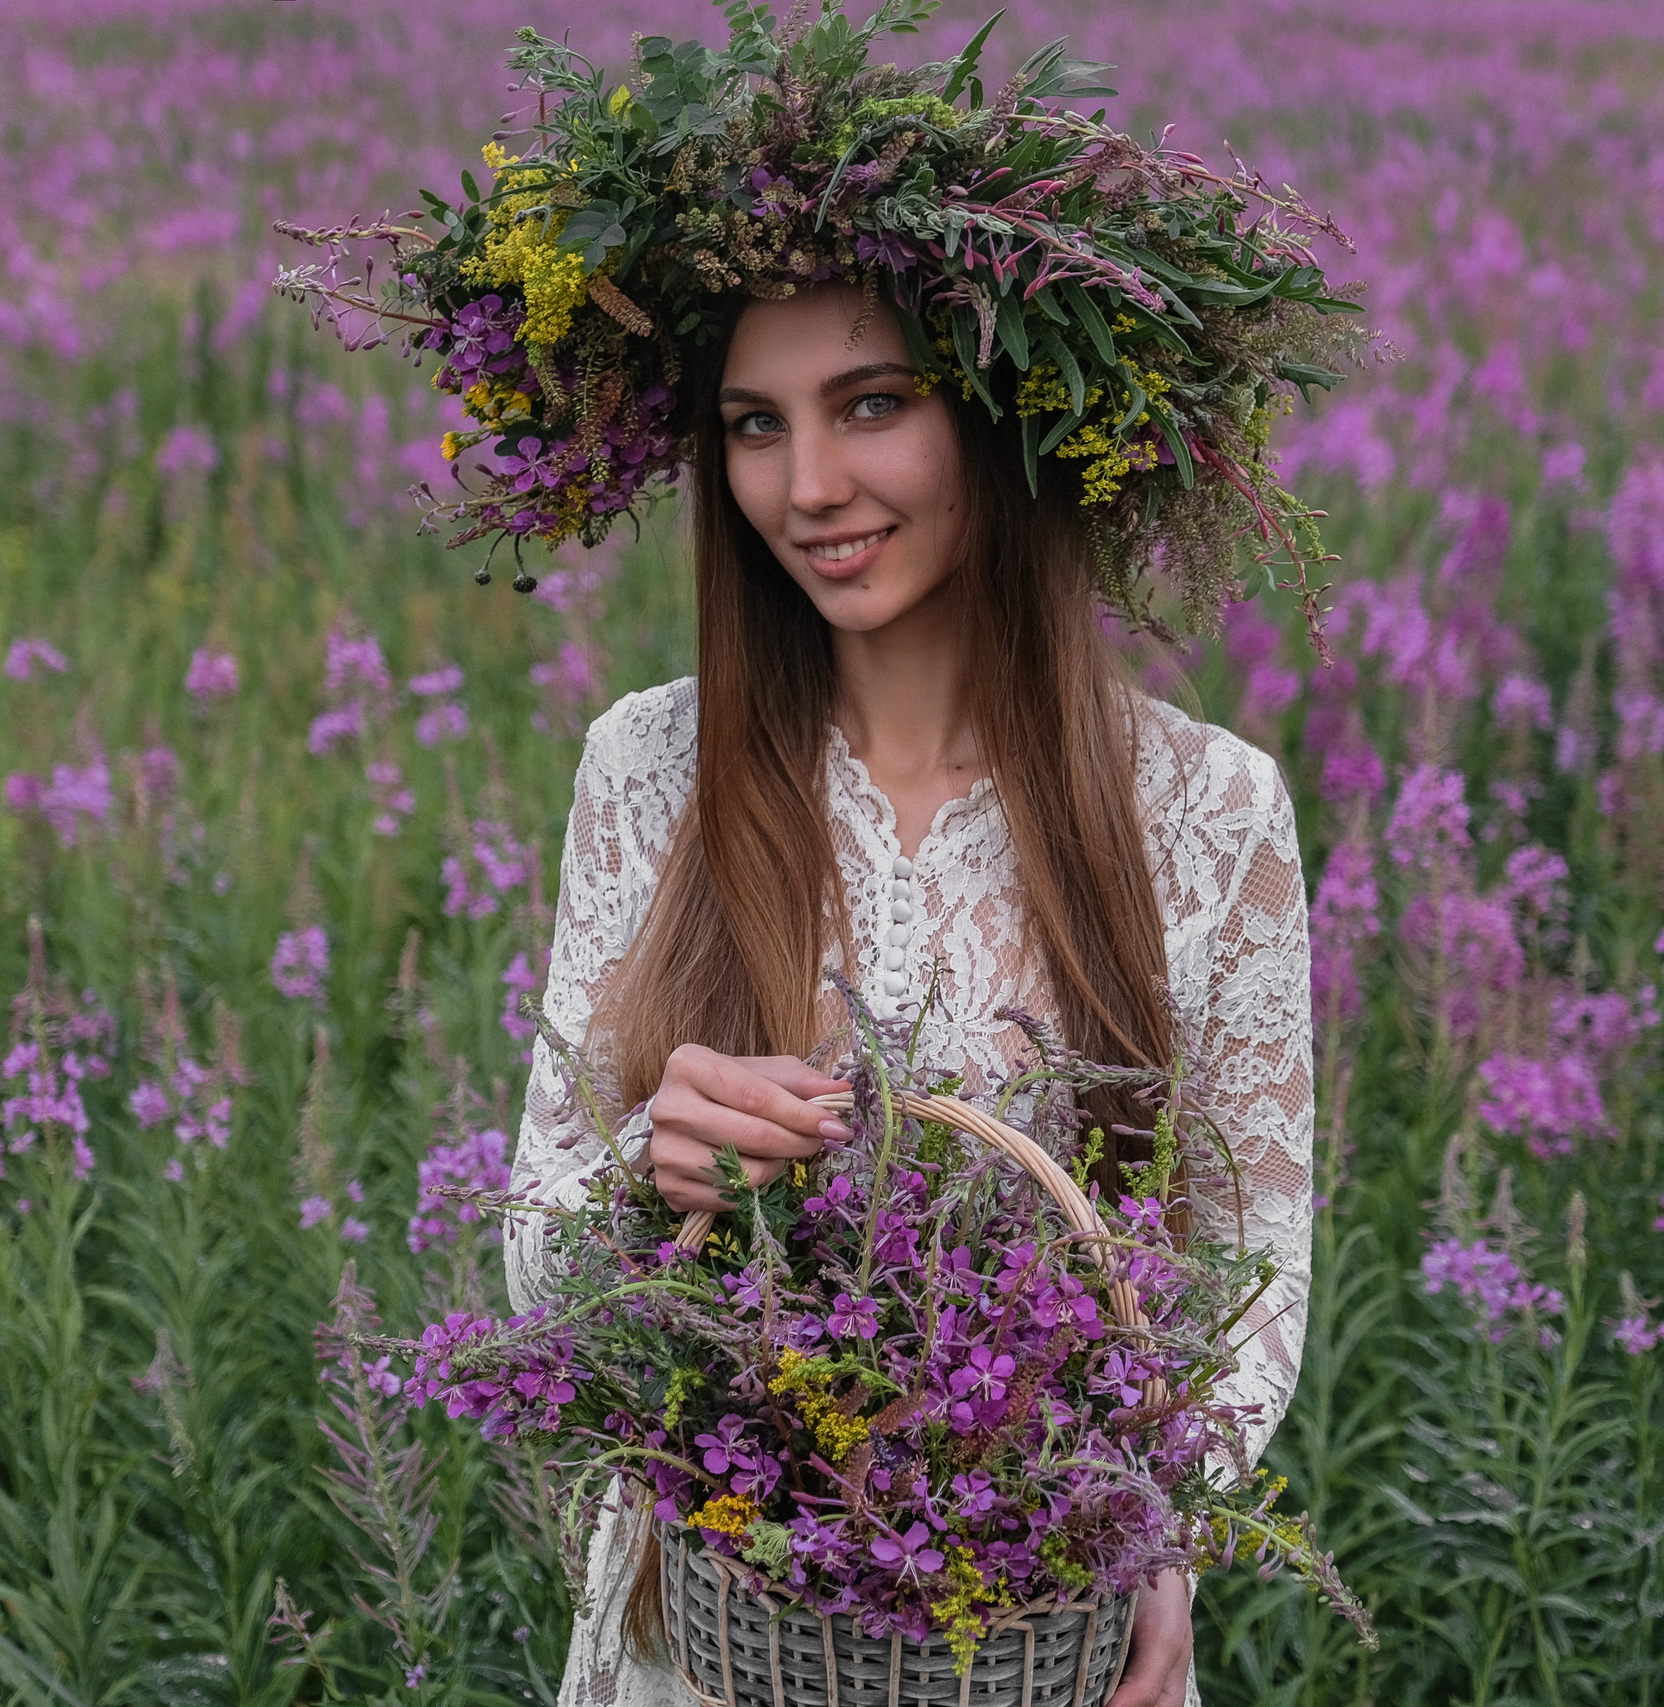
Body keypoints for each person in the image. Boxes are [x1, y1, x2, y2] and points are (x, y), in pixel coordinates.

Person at [502, 279, 1318, 1707]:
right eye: (757, 425)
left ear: (1012, 415)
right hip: (716, 1641)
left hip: (1041, 1641)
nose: (808, 486)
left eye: (873, 403)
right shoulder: (647, 769)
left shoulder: (1210, 811)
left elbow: (1257, 1271)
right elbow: (535, 1254)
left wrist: (1147, 1525)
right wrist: (647, 1175)